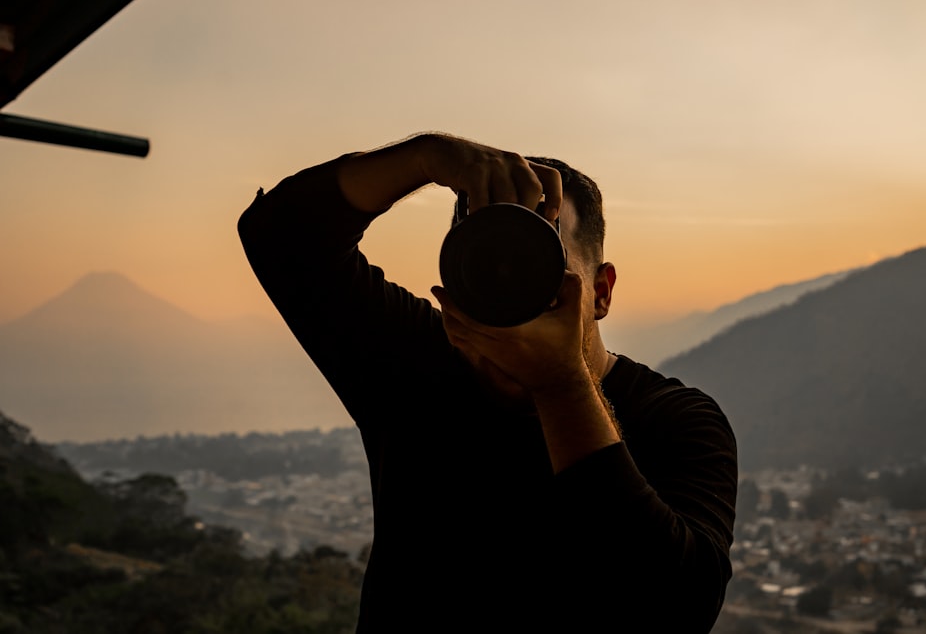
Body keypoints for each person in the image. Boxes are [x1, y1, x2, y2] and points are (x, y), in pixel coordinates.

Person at [238, 132, 738, 632]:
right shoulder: (418, 362)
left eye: (542, 265)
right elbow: (281, 236)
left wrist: (562, 385)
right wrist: (427, 156)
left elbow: (680, 605)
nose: (510, 285)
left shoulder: (677, 420)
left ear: (601, 293)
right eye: (485, 265)